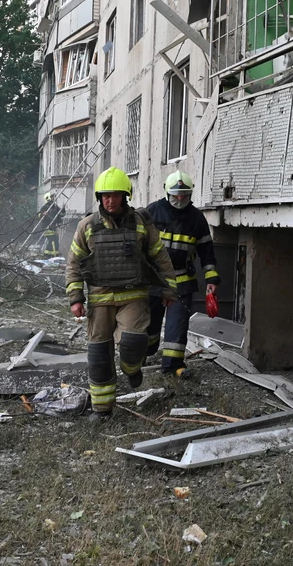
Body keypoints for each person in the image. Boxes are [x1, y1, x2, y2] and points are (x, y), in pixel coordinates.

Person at [65, 167, 178, 421]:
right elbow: (73, 264)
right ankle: (102, 409)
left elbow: (160, 256)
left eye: (116, 195)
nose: (110, 200)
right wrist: (76, 298)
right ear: (99, 197)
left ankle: (132, 368)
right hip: (99, 299)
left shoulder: (141, 224)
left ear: (125, 196)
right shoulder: (87, 226)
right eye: (106, 195)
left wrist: (169, 289)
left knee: (132, 342)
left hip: (133, 295)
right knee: (99, 353)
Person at [143, 171, 220, 377]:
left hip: (181, 280)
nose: (179, 199)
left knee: (177, 323)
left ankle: (173, 365)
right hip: (154, 279)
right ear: (167, 193)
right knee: (148, 322)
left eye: (184, 195)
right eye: (176, 195)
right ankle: (145, 352)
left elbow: (206, 251)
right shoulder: (153, 212)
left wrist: (211, 278)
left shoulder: (196, 218)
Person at [37, 192, 64, 257]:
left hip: (54, 228)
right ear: (48, 198)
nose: (54, 198)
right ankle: (52, 256)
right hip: (47, 228)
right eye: (52, 197)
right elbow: (38, 215)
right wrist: (43, 214)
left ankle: (50, 255)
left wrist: (63, 209)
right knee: (53, 242)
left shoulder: (55, 206)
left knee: (55, 241)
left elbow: (62, 214)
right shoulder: (45, 207)